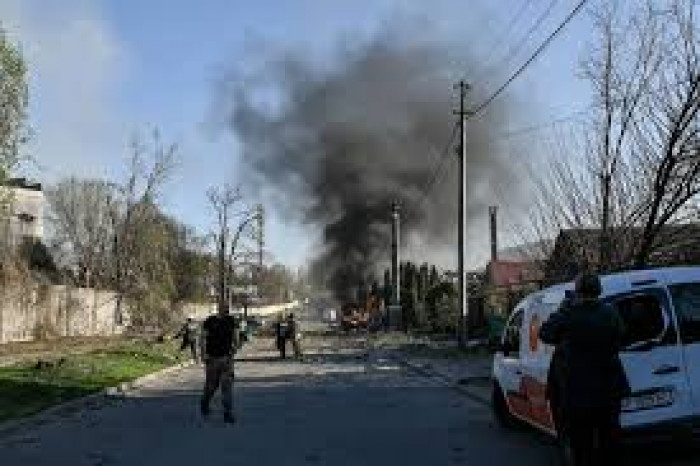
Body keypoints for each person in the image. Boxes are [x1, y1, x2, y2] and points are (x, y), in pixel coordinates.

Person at [539, 272, 629, 466]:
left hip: (578, 392)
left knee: (582, 446)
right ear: (599, 290)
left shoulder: (569, 314)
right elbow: (622, 336)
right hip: (609, 388)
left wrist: (562, 309)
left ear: (578, 292)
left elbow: (545, 333)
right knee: (610, 442)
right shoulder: (610, 312)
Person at [199, 305, 240, 424]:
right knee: (213, 386)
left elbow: (236, 336)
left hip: (224, 359)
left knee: (226, 386)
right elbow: (202, 338)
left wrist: (234, 349)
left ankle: (227, 412)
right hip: (214, 359)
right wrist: (203, 354)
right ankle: (205, 402)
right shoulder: (210, 321)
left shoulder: (230, 321)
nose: (225, 311)